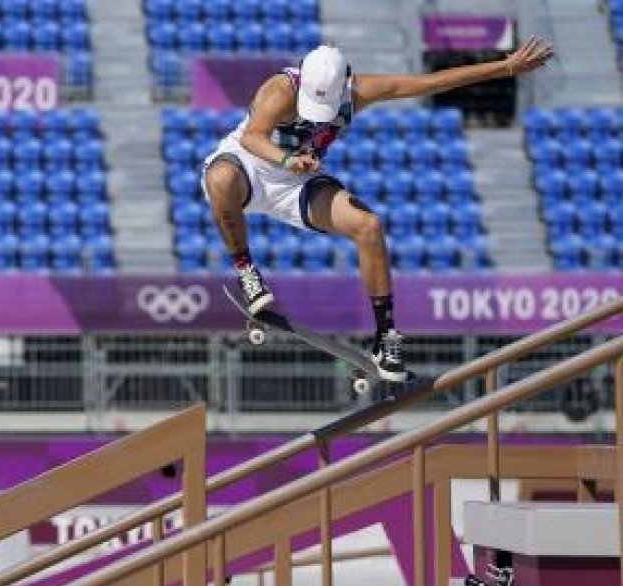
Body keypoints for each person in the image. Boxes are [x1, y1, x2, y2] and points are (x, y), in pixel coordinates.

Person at [201, 37, 554, 382]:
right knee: (220, 181)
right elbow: (252, 137)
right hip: (249, 167)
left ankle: (386, 337)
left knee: (368, 226)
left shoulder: (359, 91)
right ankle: (247, 271)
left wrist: (506, 67)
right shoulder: (279, 88)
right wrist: (287, 159)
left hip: (297, 183)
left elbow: (430, 83)